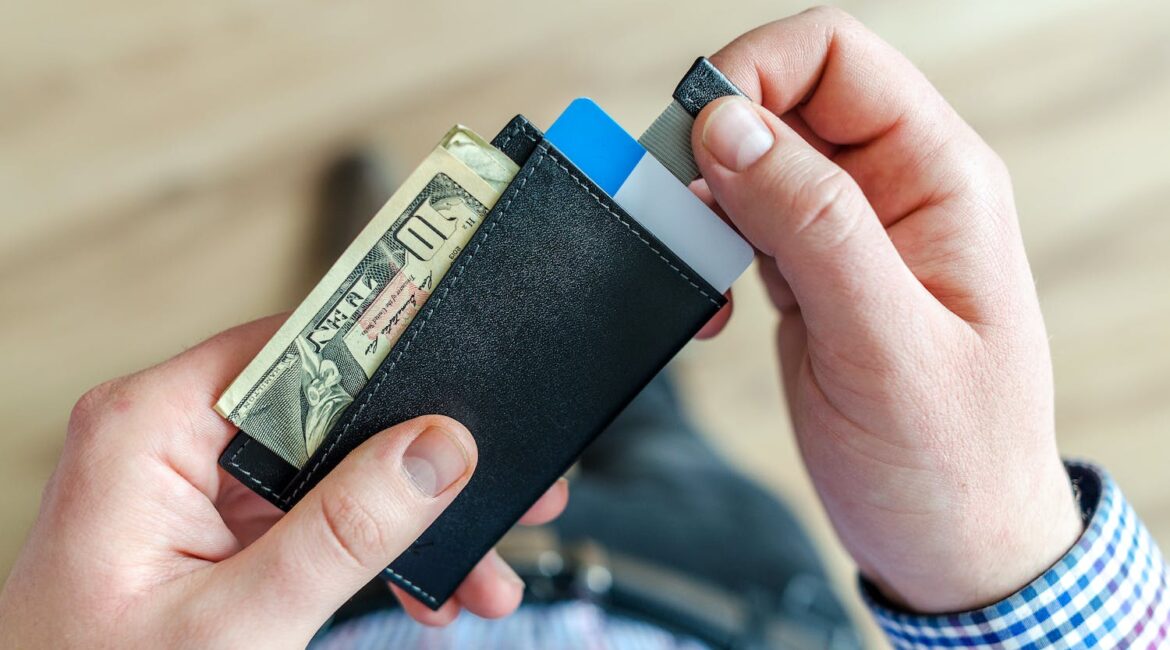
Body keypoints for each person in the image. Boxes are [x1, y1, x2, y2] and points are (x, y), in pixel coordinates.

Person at [1, 7, 1166, 648]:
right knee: (630, 381)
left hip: (340, 601)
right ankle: (587, 308)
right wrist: (996, 557)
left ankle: (498, 287)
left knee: (548, 341)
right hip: (730, 592)